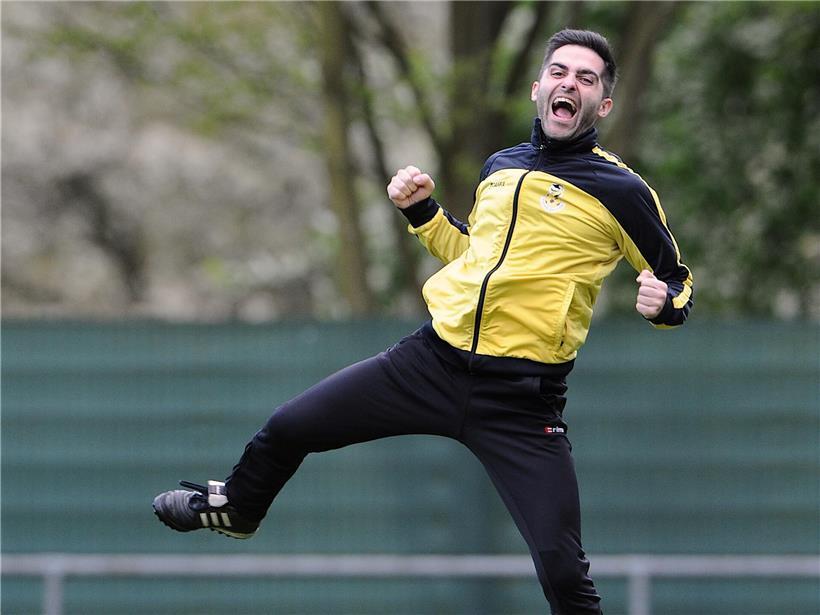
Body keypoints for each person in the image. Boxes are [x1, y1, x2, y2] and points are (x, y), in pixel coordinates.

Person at [153, 29, 693, 614]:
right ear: (540, 88)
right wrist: (422, 212)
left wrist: (664, 304)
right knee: (287, 427)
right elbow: (476, 258)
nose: (571, 84)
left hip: (522, 399)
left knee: (563, 572)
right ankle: (237, 508)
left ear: (602, 105)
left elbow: (678, 282)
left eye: (587, 79)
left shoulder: (623, 190)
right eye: (560, 72)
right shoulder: (501, 167)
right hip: (431, 362)